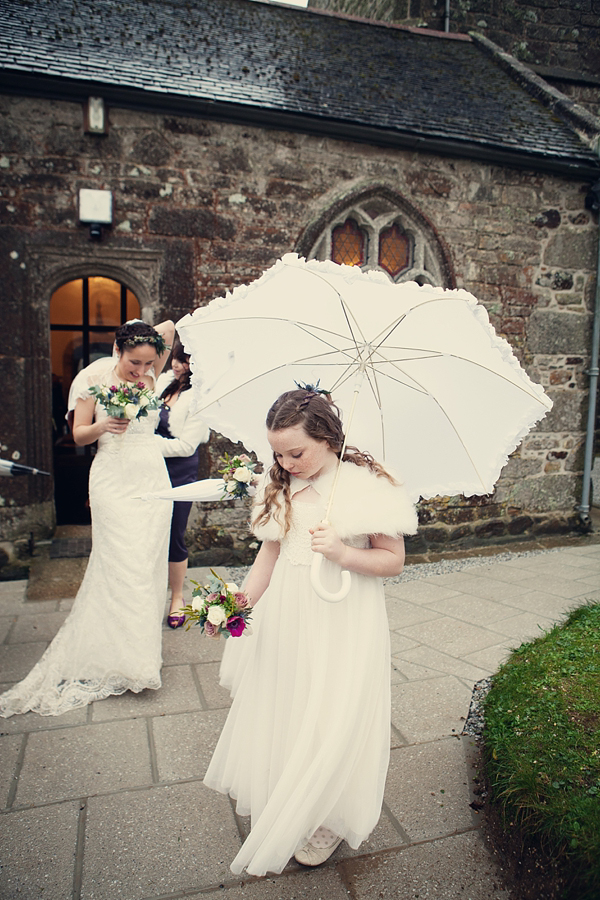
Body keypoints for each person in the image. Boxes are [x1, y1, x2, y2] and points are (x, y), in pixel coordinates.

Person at [203, 387, 418, 876]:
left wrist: (343, 552)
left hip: (344, 615)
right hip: (289, 609)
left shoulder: (367, 486)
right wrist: (240, 603)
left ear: (327, 437)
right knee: (291, 701)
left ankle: (332, 815)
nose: (286, 461)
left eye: (296, 452)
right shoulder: (280, 484)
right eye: (277, 452)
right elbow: (271, 552)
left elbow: (393, 561)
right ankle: (292, 789)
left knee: (334, 710)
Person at [0, 319, 175, 717]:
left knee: (147, 566)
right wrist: (103, 425)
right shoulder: (92, 380)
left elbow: (168, 327)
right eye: (134, 362)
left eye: (149, 362)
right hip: (112, 479)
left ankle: (140, 657)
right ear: (116, 352)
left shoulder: (151, 371)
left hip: (150, 476)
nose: (142, 370)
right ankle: (115, 653)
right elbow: (77, 435)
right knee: (120, 564)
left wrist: (142, 336)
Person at [154, 338, 210, 628]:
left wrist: (146, 445)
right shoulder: (164, 381)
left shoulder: (201, 396)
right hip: (150, 467)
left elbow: (187, 446)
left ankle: (177, 597)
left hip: (179, 470)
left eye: (184, 360)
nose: (176, 364)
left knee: (175, 533)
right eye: (175, 358)